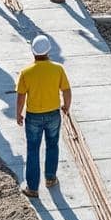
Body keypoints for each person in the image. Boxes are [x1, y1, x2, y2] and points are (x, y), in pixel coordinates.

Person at [15, 35, 71, 198]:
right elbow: (66, 90)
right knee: (52, 145)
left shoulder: (26, 72)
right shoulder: (58, 69)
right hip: (53, 114)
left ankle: (32, 188)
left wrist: (18, 113)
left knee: (33, 150)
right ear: (49, 51)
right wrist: (66, 106)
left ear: (33, 52)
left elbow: (21, 96)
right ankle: (50, 178)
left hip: (33, 116)